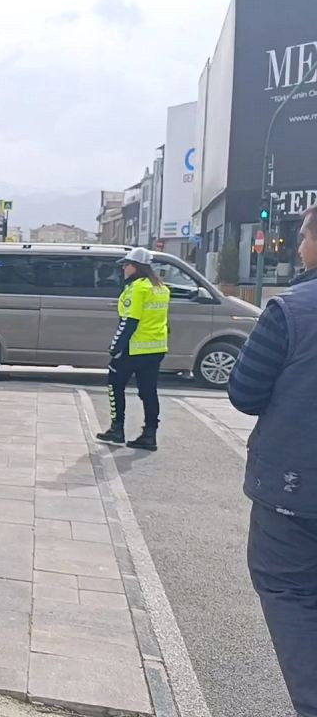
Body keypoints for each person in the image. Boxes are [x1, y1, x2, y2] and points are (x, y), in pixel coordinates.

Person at [228, 205, 317, 717]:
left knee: (290, 594)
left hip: (294, 491)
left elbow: (245, 393)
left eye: (304, 237)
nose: (300, 247)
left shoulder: (291, 310)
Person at [93, 247, 169, 451]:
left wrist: (115, 347)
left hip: (133, 348)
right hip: (156, 347)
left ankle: (117, 429)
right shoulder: (161, 287)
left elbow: (129, 321)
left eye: (126, 264)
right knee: (149, 391)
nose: (124, 268)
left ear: (136, 266)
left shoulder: (137, 289)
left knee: (114, 384)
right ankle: (150, 434)